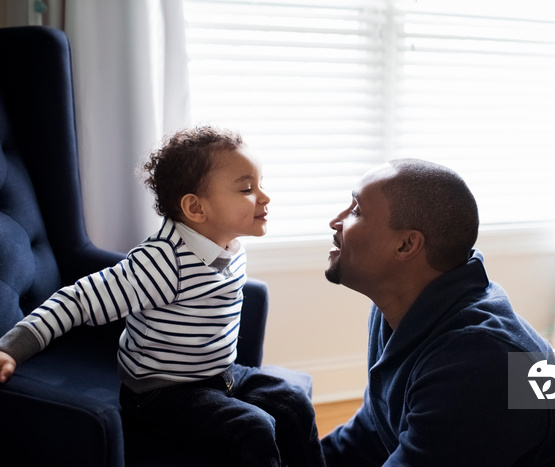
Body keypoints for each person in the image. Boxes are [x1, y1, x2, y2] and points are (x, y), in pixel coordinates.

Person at [0, 126, 325, 467]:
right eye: (246, 188)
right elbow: (78, 299)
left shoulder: (229, 244)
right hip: (160, 393)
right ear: (196, 208)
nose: (264, 196)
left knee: (292, 401)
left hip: (219, 374)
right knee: (254, 427)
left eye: (261, 184)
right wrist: (13, 346)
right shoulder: (162, 262)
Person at [321, 158, 555, 466]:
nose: (337, 221)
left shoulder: (477, 359)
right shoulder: (394, 313)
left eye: (356, 210)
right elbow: (373, 432)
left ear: (407, 245)